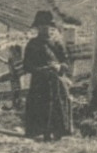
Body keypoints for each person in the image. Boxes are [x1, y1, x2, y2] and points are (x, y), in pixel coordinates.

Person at [22, 10, 73, 140]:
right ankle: (42, 133)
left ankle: (59, 132)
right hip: (40, 82)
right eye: (41, 25)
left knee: (59, 104)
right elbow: (27, 66)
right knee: (40, 105)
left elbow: (66, 62)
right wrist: (42, 69)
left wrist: (60, 66)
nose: (44, 28)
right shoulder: (32, 44)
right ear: (37, 27)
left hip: (56, 80)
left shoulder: (57, 43)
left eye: (47, 25)